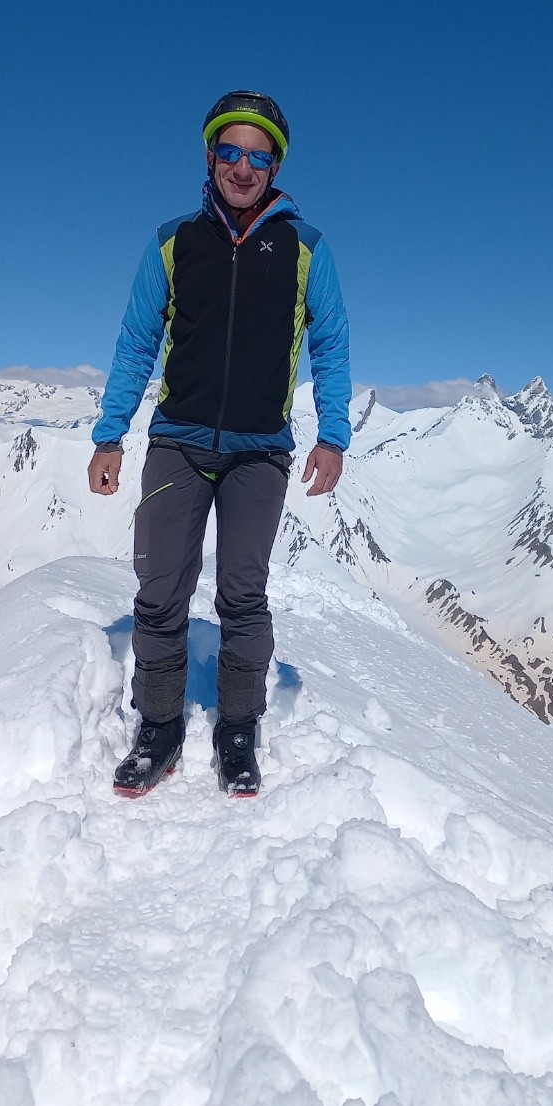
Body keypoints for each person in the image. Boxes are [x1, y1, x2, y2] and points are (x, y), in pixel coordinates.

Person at [88, 91, 351, 797]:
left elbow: (328, 344)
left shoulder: (306, 248)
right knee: (160, 592)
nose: (243, 166)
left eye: (258, 156)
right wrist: (109, 434)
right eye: (230, 151)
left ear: (275, 166)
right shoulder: (175, 242)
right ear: (210, 157)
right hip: (178, 441)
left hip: (259, 451)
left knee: (243, 594)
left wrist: (334, 435)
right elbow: (137, 340)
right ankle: (160, 725)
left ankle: (237, 728)